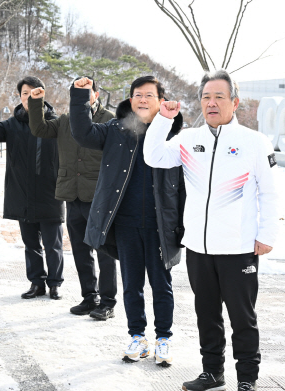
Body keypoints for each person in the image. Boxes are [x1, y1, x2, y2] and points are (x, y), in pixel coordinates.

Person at [143, 69, 276, 391]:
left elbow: (268, 192)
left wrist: (266, 234)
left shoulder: (254, 142)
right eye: (206, 97)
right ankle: (212, 372)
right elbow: (154, 156)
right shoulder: (190, 139)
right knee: (207, 314)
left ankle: (247, 378)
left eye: (219, 96)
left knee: (242, 318)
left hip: (238, 248)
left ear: (235, 102)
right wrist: (163, 119)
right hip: (199, 248)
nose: (211, 103)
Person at [68, 75, 185, 367]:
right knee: (132, 284)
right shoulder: (117, 130)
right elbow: (83, 134)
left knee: (161, 284)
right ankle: (137, 337)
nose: (142, 100)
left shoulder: (174, 135)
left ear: (161, 101)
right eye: (137, 95)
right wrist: (80, 98)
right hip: (126, 223)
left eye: (149, 95)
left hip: (161, 224)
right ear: (130, 100)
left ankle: (163, 339)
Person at [28, 76, 118, 321]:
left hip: (100, 196)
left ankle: (108, 301)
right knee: (80, 249)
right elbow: (39, 129)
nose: (82, 97)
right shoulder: (66, 121)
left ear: (96, 95)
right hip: (72, 193)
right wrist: (37, 103)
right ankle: (90, 296)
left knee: (104, 250)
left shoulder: (110, 120)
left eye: (87, 92)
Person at [0, 77, 65, 300]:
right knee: (30, 245)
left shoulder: (55, 123)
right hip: (22, 194)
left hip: (50, 195)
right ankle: (36, 283)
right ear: (20, 97)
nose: (29, 97)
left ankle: (55, 284)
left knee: (53, 245)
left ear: (42, 95)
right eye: (25, 93)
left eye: (34, 92)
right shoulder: (12, 124)